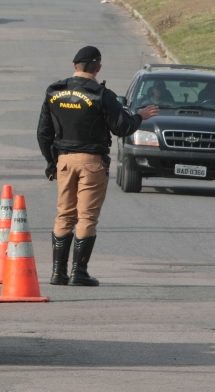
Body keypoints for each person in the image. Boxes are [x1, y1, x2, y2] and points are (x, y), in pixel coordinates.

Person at [37, 46, 158, 287]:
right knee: (87, 216)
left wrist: (51, 163)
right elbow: (121, 127)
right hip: (91, 162)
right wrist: (139, 116)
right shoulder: (102, 95)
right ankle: (79, 272)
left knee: (64, 214)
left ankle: (58, 272)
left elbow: (43, 133)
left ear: (75, 65)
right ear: (98, 68)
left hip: (64, 161)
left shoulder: (54, 92)